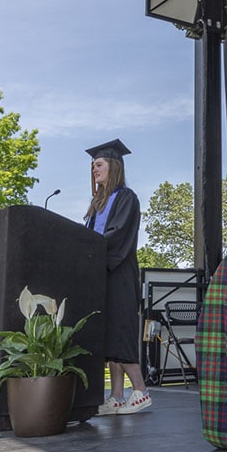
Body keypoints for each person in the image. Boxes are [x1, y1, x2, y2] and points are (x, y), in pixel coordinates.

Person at [84, 138, 152, 415]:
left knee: (121, 332)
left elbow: (117, 235)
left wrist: (90, 250)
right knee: (109, 335)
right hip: (102, 274)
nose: (94, 170)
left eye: (98, 165)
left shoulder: (126, 198)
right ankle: (116, 396)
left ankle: (141, 391)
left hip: (120, 272)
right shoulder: (97, 202)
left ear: (113, 166)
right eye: (92, 166)